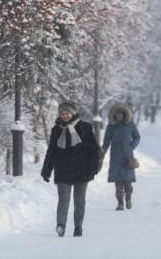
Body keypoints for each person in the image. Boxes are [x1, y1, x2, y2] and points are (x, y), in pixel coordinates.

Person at [41, 101, 101, 237]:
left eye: (67, 113)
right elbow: (52, 151)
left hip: (82, 170)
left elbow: (93, 150)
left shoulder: (85, 127)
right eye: (62, 113)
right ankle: (61, 225)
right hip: (63, 170)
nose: (65, 116)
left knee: (79, 201)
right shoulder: (56, 129)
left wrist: (93, 167)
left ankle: (78, 227)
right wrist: (46, 170)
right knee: (63, 200)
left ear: (73, 113)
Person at [102, 104, 140, 211]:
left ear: (124, 114)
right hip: (115, 157)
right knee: (117, 182)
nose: (119, 116)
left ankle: (128, 197)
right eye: (117, 114)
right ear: (114, 115)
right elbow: (106, 141)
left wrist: (131, 146)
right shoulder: (111, 126)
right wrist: (102, 152)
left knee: (127, 182)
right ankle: (120, 203)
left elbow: (137, 137)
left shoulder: (130, 125)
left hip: (127, 157)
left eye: (121, 114)